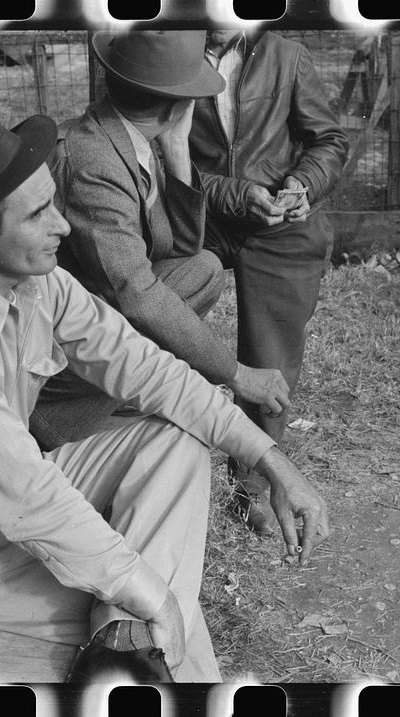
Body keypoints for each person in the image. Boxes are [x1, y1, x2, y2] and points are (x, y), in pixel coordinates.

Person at [0, 104, 330, 683]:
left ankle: (127, 647)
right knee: (151, 614)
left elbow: (150, 370)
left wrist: (270, 459)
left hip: (6, 493)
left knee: (174, 441)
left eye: (55, 201)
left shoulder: (36, 278)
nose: (64, 226)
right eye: (39, 213)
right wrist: (150, 591)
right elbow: (28, 496)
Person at [29, 30, 292, 455]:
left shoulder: (131, 136)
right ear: (175, 104)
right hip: (54, 337)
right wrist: (237, 373)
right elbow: (135, 292)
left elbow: (185, 247)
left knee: (203, 270)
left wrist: (176, 145)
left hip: (92, 303)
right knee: (160, 300)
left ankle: (124, 383)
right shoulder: (94, 160)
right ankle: (51, 422)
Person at [189, 29, 350, 534]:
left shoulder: (286, 55)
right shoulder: (170, 48)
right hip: (201, 211)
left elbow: (328, 139)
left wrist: (302, 184)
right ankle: (138, 446)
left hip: (276, 218)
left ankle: (251, 488)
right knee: (151, 311)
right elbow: (155, 154)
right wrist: (233, 194)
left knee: (270, 355)